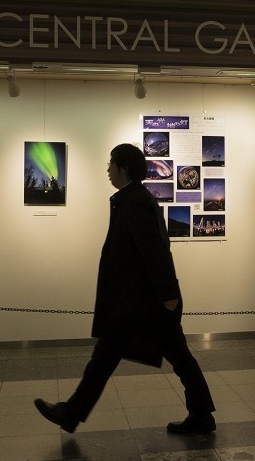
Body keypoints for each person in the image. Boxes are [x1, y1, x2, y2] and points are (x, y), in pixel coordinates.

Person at [35, 143, 216, 434]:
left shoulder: (136, 202)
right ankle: (72, 413)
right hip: (136, 302)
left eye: (111, 164)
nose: (108, 169)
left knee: (167, 358)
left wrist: (168, 295)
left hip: (146, 304)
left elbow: (155, 250)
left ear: (125, 167)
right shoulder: (129, 200)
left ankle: (72, 413)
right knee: (111, 358)